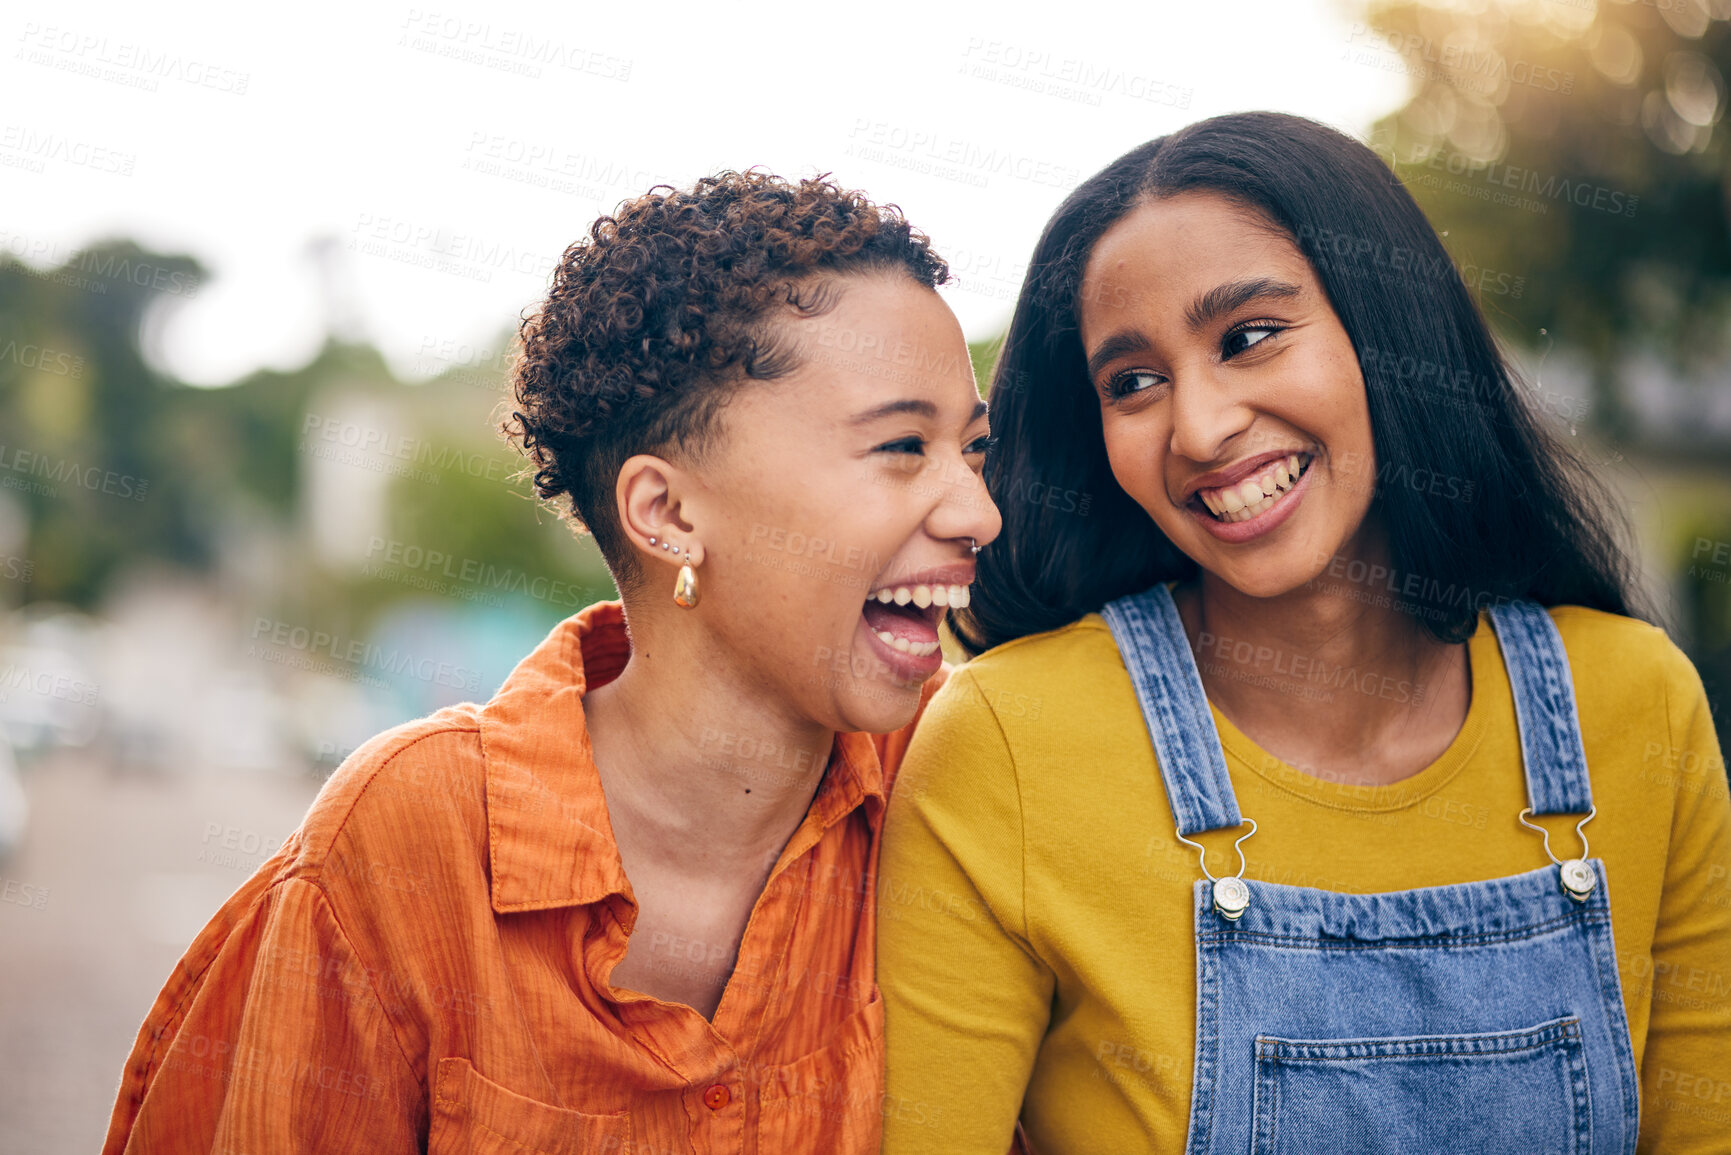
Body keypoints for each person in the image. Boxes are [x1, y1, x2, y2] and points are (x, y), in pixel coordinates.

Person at [877, 112, 1731, 1154]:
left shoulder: (1636, 703)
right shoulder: (1006, 743)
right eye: (1132, 383)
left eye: (1249, 338)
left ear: (1390, 331)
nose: (1199, 428)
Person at [103, 170, 999, 1153]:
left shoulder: (973, 791)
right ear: (667, 513)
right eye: (904, 446)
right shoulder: (410, 839)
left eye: (975, 450)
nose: (977, 513)